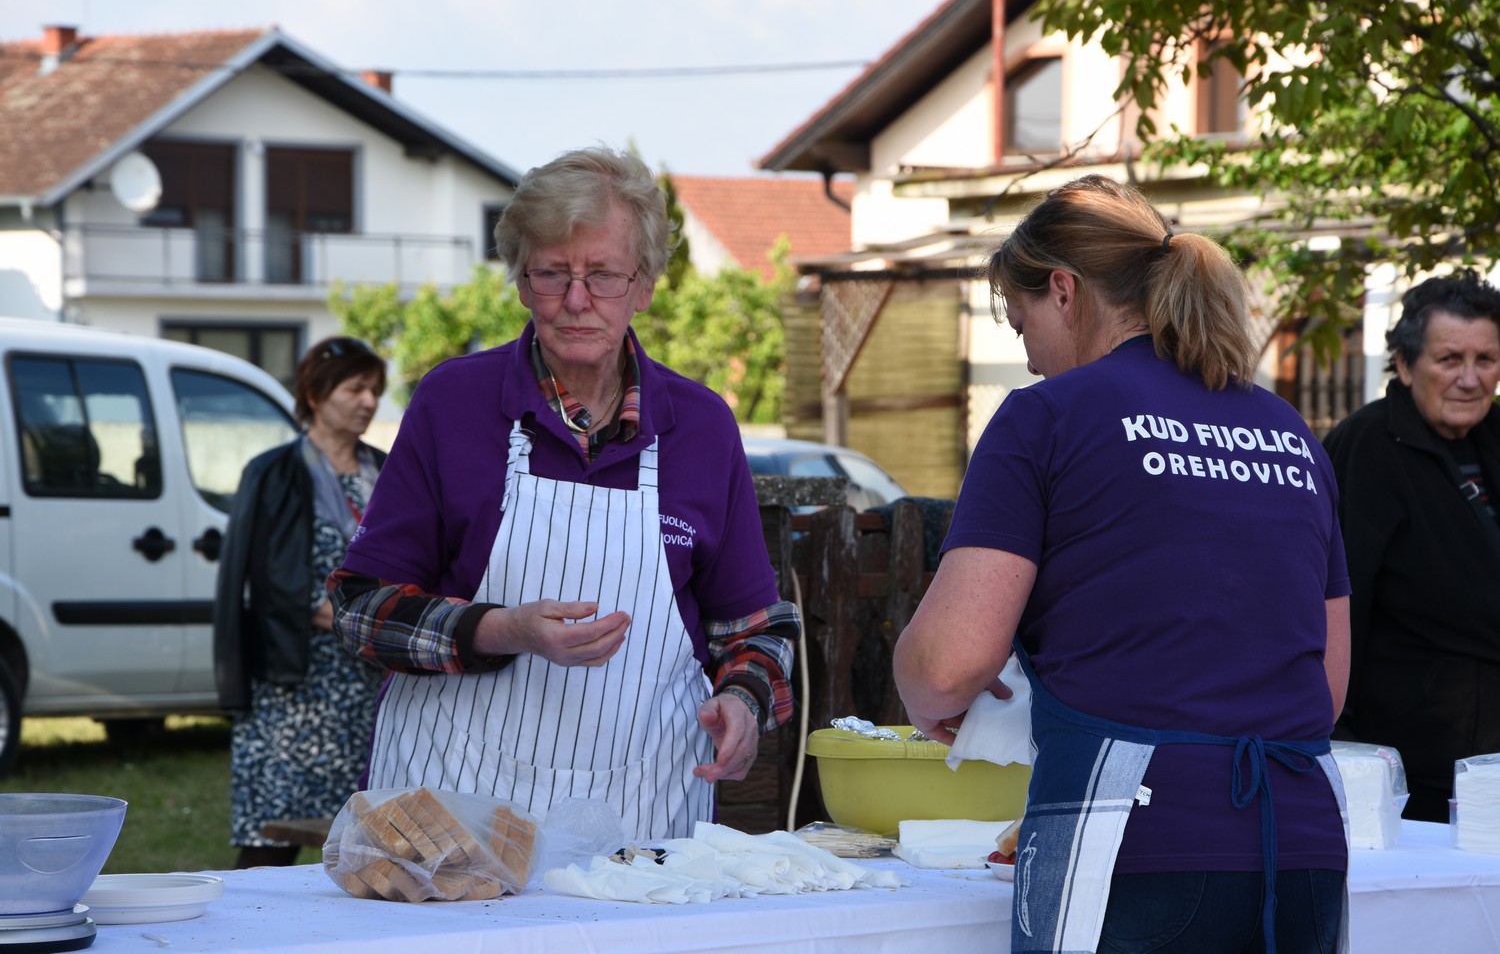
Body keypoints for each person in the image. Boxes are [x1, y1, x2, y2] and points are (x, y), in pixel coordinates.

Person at [893, 175, 1350, 954]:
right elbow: (1327, 683)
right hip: (1301, 836)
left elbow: (947, 666)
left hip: (1129, 838)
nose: (1029, 355)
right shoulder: (1286, 429)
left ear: (1064, 291)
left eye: (1021, 319)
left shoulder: (1046, 417)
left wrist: (923, 694)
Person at [329, 146, 800, 843]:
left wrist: (742, 697)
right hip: (451, 809)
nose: (577, 300)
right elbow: (359, 609)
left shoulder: (700, 428)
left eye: (604, 275)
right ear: (521, 283)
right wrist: (502, 630)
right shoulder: (453, 404)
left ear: (644, 286)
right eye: (553, 274)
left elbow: (756, 630)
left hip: (638, 816)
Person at [1322, 270, 1500, 824]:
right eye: (1449, 359)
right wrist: (1338, 731)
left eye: (1486, 359)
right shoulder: (1368, 446)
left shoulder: (1494, 434)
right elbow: (1335, 595)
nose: (1470, 379)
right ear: (1404, 363)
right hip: (1414, 760)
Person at [214, 336, 388, 868]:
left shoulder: (385, 470)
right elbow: (265, 580)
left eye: (375, 391)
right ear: (315, 394)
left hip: (370, 681)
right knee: (272, 840)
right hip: (295, 680)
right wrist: (363, 625)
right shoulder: (272, 473)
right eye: (355, 388)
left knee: (367, 841)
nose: (369, 402)